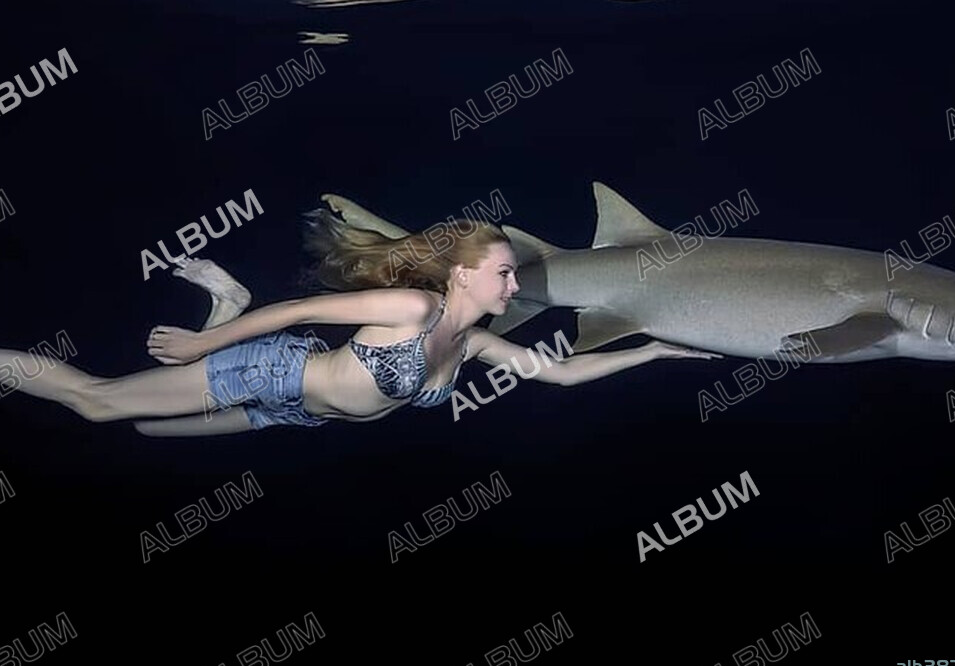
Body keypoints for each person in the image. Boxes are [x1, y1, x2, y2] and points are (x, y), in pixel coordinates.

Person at [0, 202, 719, 437]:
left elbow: (557, 372)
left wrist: (653, 350)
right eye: (505, 269)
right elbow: (309, 306)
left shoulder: (470, 341)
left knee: (152, 432)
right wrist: (208, 342)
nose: (516, 281)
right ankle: (227, 310)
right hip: (270, 369)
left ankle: (227, 302)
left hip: (298, 414)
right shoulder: (411, 308)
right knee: (96, 404)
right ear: (464, 273)